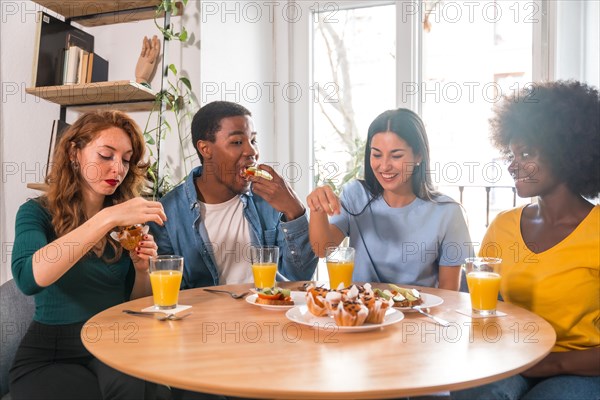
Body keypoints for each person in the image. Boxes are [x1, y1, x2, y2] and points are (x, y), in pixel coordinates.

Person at [451, 81, 600, 399]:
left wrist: (551, 365)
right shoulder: (503, 226)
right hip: (511, 361)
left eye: (527, 153)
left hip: (578, 368)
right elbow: (477, 308)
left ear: (566, 152)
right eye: (511, 153)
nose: (512, 164)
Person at [9, 110, 167, 399]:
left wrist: (143, 270)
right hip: (51, 354)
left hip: (111, 342)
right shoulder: (36, 213)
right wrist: (105, 219)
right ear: (74, 153)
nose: (117, 168)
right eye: (106, 155)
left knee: (152, 388)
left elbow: (137, 304)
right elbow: (29, 279)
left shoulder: (126, 224)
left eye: (126, 159)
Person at [150, 101, 318, 289]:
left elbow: (300, 276)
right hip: (202, 318)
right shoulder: (166, 214)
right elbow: (167, 294)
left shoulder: (270, 199)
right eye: (237, 142)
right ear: (205, 149)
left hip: (268, 314)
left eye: (253, 140)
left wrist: (294, 210)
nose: (252, 151)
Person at [307, 108, 472, 290]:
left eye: (396, 156)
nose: (384, 166)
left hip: (418, 315)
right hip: (361, 313)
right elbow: (322, 249)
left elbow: (448, 295)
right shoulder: (355, 195)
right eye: (376, 154)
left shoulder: (448, 212)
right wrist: (317, 208)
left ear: (418, 155)